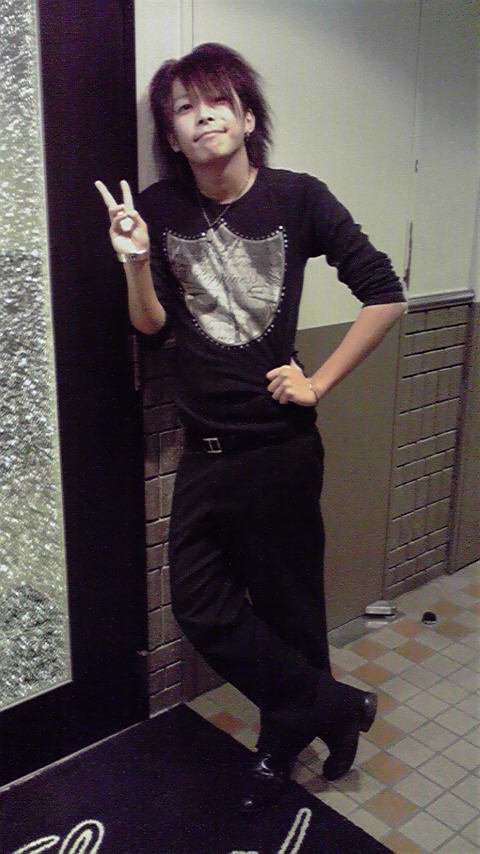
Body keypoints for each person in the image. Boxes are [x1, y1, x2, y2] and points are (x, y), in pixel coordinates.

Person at [96, 42, 406, 813]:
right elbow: (151, 329)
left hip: (278, 449)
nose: (202, 117)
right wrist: (134, 261)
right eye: (184, 108)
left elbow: (385, 292)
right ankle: (335, 707)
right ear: (172, 135)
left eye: (217, 102)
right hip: (203, 454)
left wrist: (319, 382)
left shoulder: (297, 198)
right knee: (200, 605)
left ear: (245, 117)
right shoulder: (159, 209)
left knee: (291, 611)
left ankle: (287, 734)